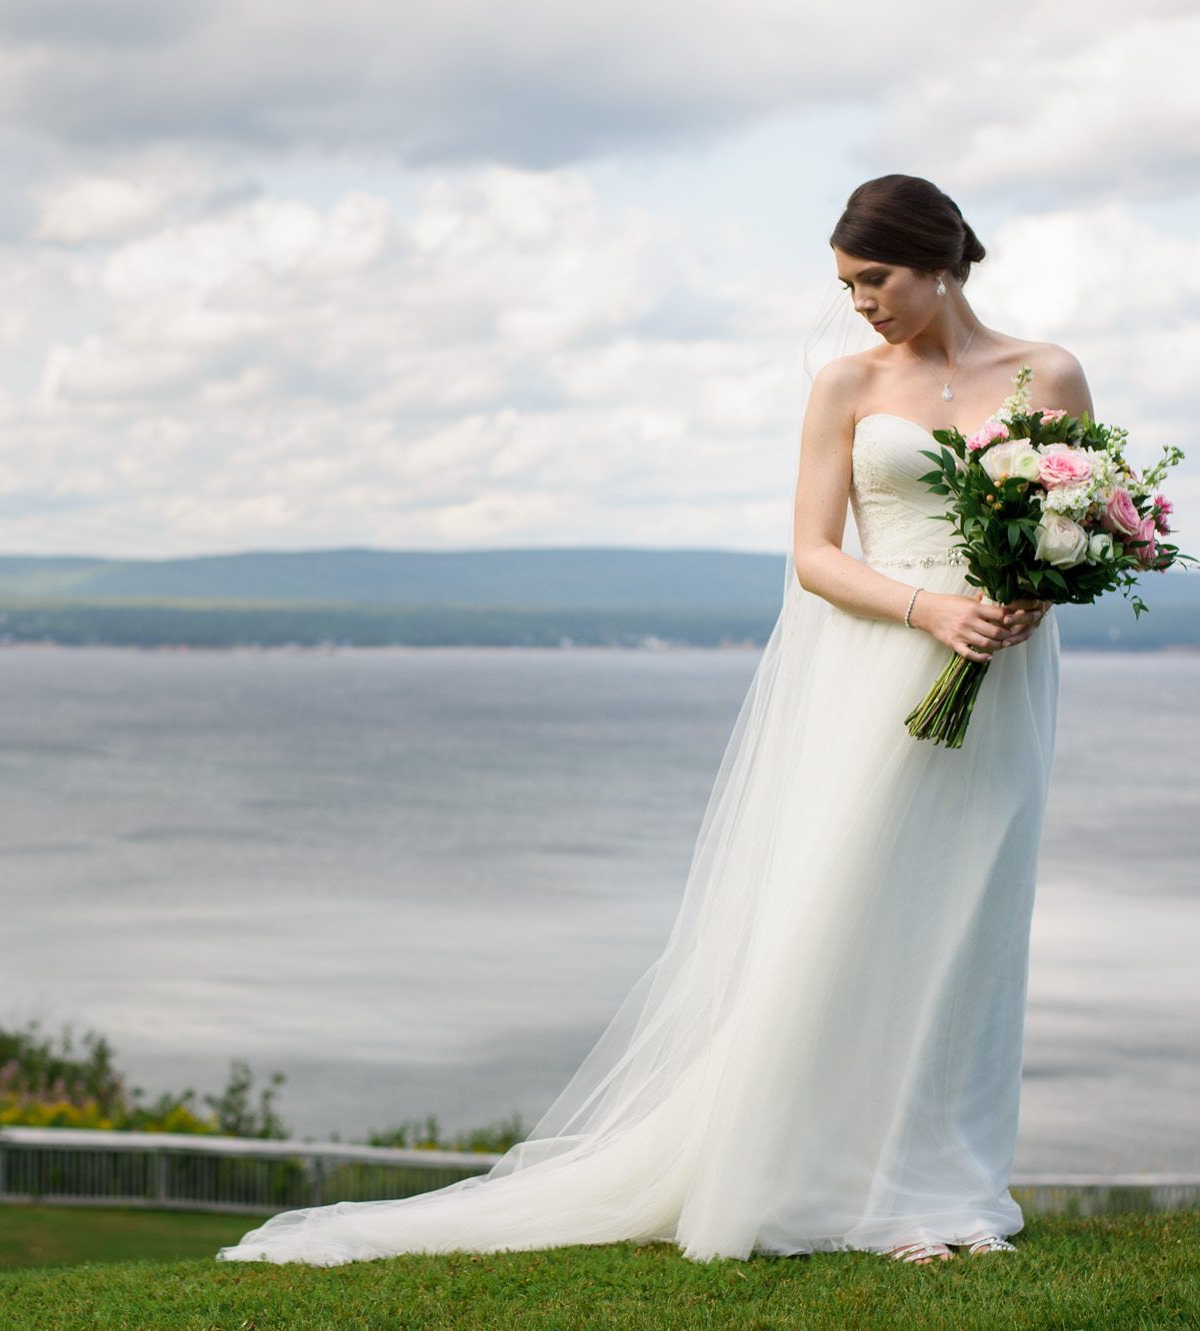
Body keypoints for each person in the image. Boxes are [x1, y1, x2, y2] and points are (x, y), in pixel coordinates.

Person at [218, 174, 1073, 1268]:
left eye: (876, 278)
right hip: (882, 665)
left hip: (1003, 673)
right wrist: (929, 607)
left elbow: (1072, 522)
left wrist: (1023, 597)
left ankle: (948, 1182)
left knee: (971, 925)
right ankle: (854, 1185)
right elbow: (813, 556)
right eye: (846, 283)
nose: (859, 301)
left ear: (940, 256)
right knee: (854, 916)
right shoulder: (843, 385)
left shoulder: (1046, 372)